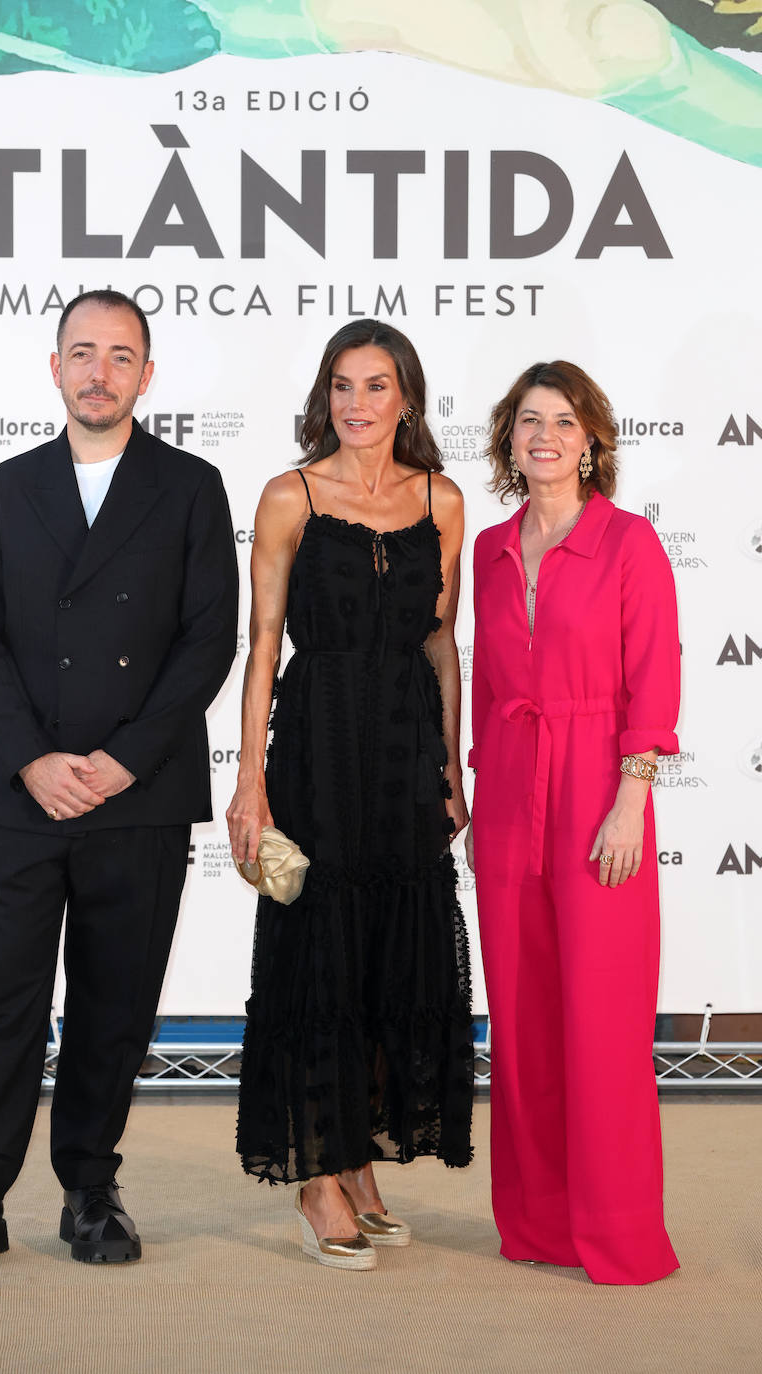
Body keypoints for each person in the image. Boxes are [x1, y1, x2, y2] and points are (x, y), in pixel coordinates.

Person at [0, 290, 238, 1271]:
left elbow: (206, 639)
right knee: (1, 989)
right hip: (21, 785)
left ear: (145, 374)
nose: (99, 371)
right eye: (81, 352)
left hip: (142, 785)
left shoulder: (190, 487)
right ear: (55, 368)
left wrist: (125, 758)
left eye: (119, 355)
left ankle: (90, 1186)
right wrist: (32, 757)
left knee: (113, 998)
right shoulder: (8, 487)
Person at [227, 320, 474, 1271]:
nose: (358, 404)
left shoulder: (442, 501)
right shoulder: (289, 496)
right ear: (324, 396)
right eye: (342, 385)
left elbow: (442, 644)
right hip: (320, 748)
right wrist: (251, 781)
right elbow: (263, 650)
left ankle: (360, 1157)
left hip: (407, 754)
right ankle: (318, 1176)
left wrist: (451, 770)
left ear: (406, 396)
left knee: (390, 960)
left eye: (377, 386)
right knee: (321, 959)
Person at [466, 360, 680, 1285]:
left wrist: (631, 800)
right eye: (527, 421)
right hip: (511, 788)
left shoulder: (631, 543)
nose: (544, 435)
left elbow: (655, 682)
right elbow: (486, 687)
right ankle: (541, 1224)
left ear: (592, 440)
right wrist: (476, 796)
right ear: (508, 440)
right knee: (521, 1023)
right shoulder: (488, 547)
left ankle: (619, 1232)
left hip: (599, 787)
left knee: (603, 1020)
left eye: (563, 420)